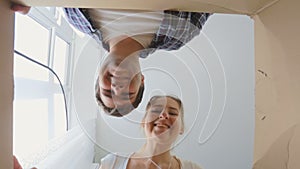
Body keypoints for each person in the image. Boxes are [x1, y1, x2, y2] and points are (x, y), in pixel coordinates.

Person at [11, 3, 211, 117]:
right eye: (127, 95)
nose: (117, 88)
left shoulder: (76, 18)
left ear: (98, 77)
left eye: (107, 90)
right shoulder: (179, 35)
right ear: (142, 79)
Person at [100, 95, 202, 169]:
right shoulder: (111, 164)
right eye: (156, 110)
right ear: (143, 122)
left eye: (172, 113)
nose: (163, 115)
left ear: (181, 128)